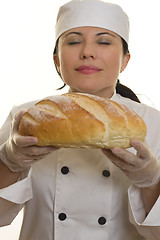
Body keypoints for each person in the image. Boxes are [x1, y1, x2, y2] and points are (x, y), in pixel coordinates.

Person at [0, 0, 160, 239]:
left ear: (125, 60)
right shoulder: (27, 119)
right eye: (74, 41)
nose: (87, 52)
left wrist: (151, 182)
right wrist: (9, 161)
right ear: (56, 60)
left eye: (103, 41)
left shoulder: (151, 124)